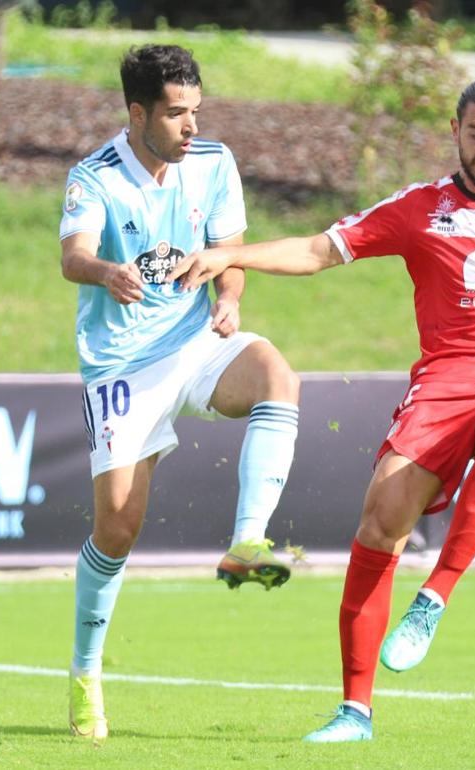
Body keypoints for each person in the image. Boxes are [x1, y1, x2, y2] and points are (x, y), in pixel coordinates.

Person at [170, 77, 475, 743]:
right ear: (456, 132)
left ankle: (434, 596)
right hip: (443, 379)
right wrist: (231, 254)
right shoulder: (419, 208)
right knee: (380, 521)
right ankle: (354, 712)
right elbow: (320, 251)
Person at [58, 44, 302, 741]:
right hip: (121, 367)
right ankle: (85, 672)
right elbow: (71, 255)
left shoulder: (214, 162)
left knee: (277, 375)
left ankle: (248, 543)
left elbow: (230, 255)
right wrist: (106, 271)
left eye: (197, 110)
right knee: (117, 528)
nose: (191, 126)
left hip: (195, 343)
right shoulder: (95, 177)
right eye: (175, 113)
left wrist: (229, 300)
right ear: (138, 114)